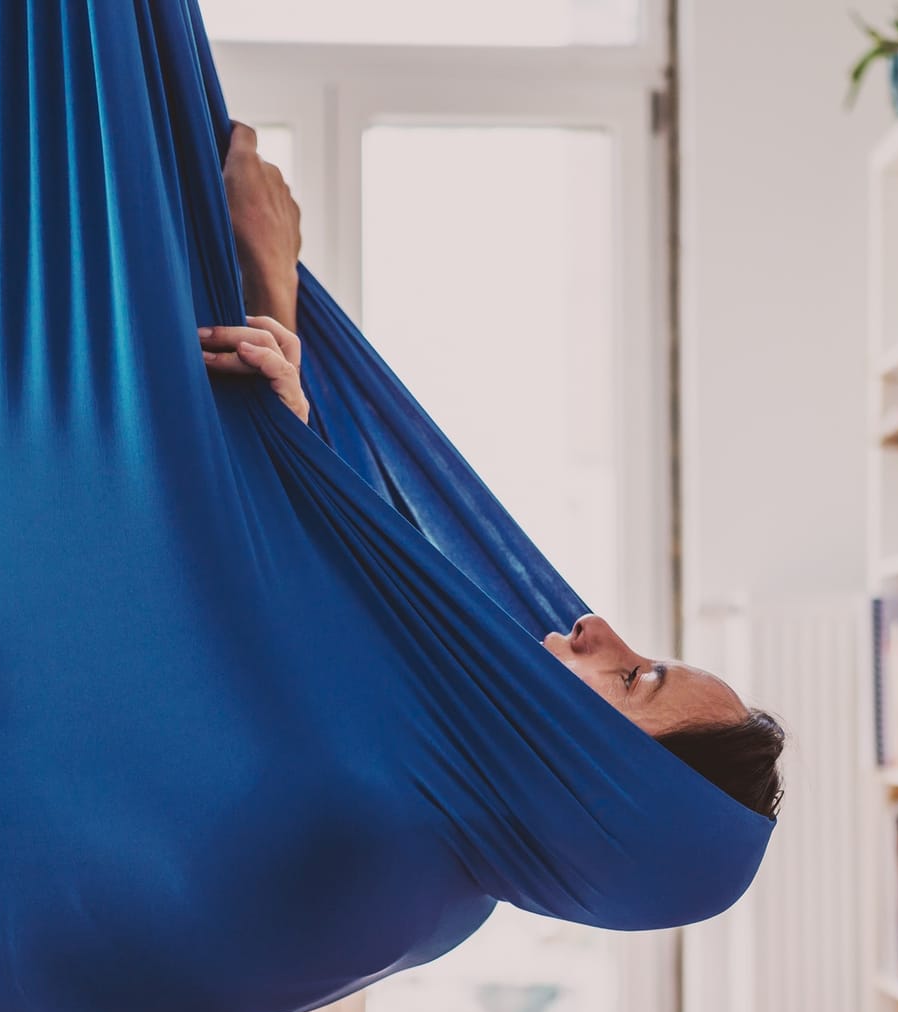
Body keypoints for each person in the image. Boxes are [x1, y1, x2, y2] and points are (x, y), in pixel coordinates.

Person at [199, 124, 786, 820]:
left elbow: (263, 657)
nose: (594, 624)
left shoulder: (398, 832)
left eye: (632, 679)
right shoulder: (449, 772)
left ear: (606, 777)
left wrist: (272, 281)